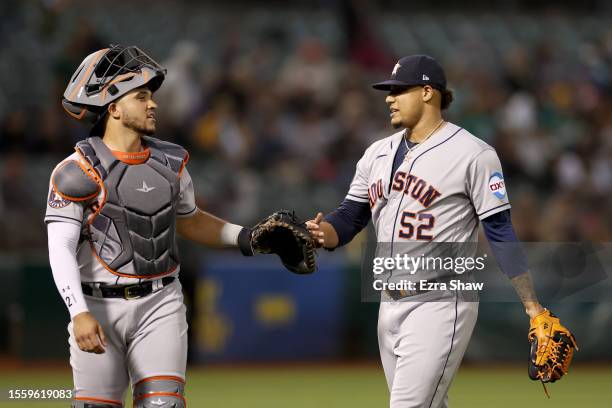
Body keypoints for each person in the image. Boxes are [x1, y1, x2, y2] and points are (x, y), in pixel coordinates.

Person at [306, 55, 574, 407]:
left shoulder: (474, 154)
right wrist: (322, 232)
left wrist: (532, 306)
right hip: (388, 303)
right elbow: (350, 216)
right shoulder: (376, 153)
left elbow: (500, 231)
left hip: (441, 302)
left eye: (399, 90)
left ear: (428, 92)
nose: (389, 97)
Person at [45, 45, 256, 408]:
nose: (153, 104)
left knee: (165, 403)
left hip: (161, 300)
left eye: (151, 97)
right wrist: (78, 312)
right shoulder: (75, 170)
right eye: (141, 97)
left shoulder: (171, 161)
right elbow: (59, 247)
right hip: (96, 304)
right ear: (113, 108)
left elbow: (190, 220)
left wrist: (246, 236)